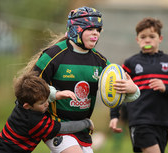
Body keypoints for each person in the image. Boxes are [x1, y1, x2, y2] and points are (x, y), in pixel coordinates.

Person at [21, 6, 140, 153]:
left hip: (82, 128)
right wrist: (55, 94)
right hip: (56, 125)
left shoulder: (100, 61)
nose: (95, 33)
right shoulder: (53, 55)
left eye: (98, 30)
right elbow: (29, 87)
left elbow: (121, 92)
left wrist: (133, 90)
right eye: (90, 29)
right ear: (76, 30)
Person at [109, 17, 168, 153]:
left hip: (163, 122)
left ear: (160, 39)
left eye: (152, 36)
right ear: (137, 40)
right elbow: (118, 90)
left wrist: (165, 88)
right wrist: (114, 116)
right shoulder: (130, 63)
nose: (147, 40)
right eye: (143, 36)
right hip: (140, 121)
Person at [0, 72, 95, 153]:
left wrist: (57, 94)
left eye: (47, 99)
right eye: (42, 103)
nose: (47, 104)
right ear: (27, 106)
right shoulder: (34, 121)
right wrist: (86, 123)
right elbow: (63, 128)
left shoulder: (22, 101)